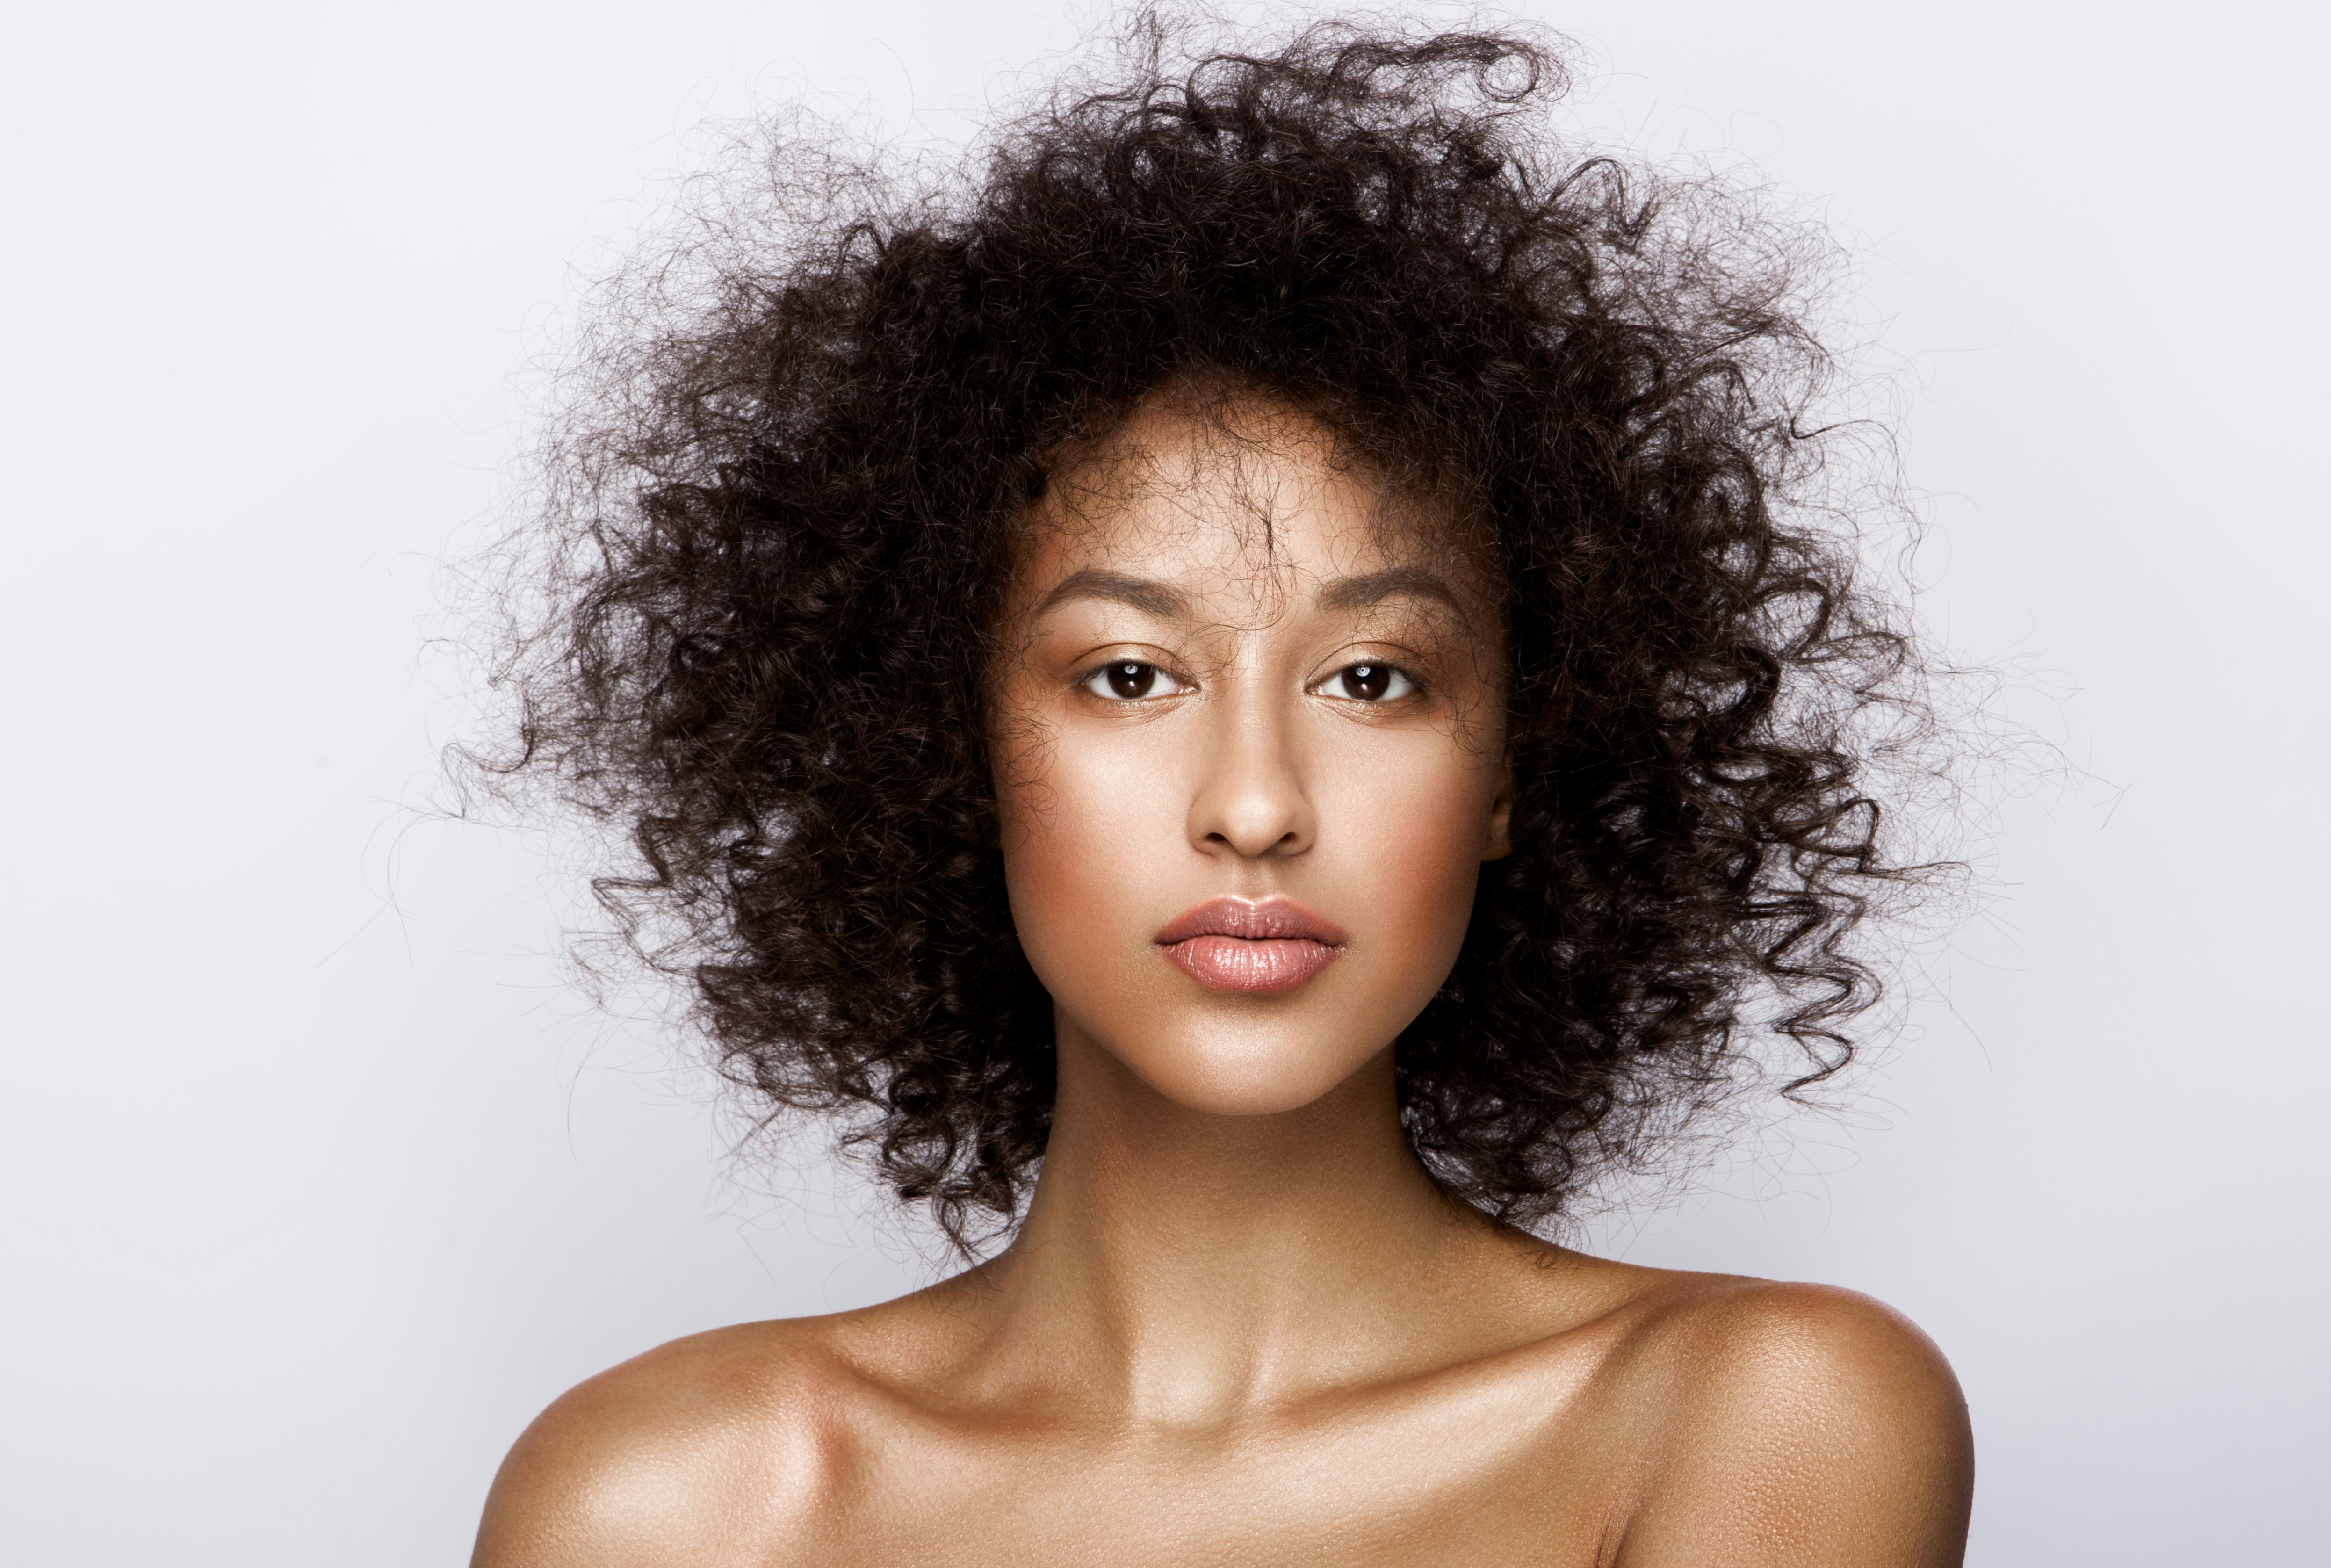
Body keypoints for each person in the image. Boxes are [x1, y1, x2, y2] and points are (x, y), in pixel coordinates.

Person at [468, 18, 1972, 1564]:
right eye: (1129, 675)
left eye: (1373, 678)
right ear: (955, 752)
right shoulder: (671, 1503)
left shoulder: (1759, 1419)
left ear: (1515, 773)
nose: (1256, 806)